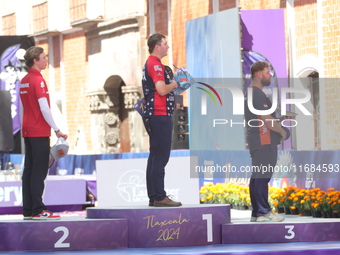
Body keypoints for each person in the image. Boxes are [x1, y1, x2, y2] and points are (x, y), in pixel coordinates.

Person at [20, 46, 68, 220]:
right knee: (39, 171)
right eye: (43, 57)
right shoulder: (38, 80)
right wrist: (57, 129)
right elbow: (44, 108)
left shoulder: (24, 80)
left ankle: (29, 210)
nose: (46, 60)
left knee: (30, 170)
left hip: (27, 129)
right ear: (35, 60)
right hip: (39, 130)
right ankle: (39, 210)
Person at [141, 33, 182, 207]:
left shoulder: (151, 64)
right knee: (160, 157)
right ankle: (159, 196)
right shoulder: (155, 64)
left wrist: (172, 104)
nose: (167, 46)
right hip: (159, 116)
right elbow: (162, 89)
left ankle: (154, 196)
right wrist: (177, 82)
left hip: (156, 113)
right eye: (165, 43)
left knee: (155, 156)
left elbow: (157, 93)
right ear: (157, 46)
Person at [245, 61, 287, 222]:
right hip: (264, 140)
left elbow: (263, 117)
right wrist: (282, 130)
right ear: (259, 74)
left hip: (258, 139)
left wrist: (279, 120)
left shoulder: (250, 93)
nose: (270, 75)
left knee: (258, 177)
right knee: (262, 177)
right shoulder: (257, 93)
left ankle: (257, 213)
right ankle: (263, 211)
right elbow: (266, 119)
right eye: (268, 72)